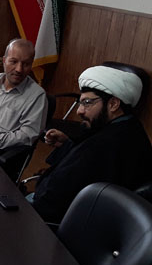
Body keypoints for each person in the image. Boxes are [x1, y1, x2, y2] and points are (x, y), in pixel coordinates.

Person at [32, 65, 152, 224]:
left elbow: (53, 200)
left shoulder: (104, 145)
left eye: (87, 103)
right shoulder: (129, 127)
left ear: (113, 104)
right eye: (80, 103)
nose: (79, 111)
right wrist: (68, 144)